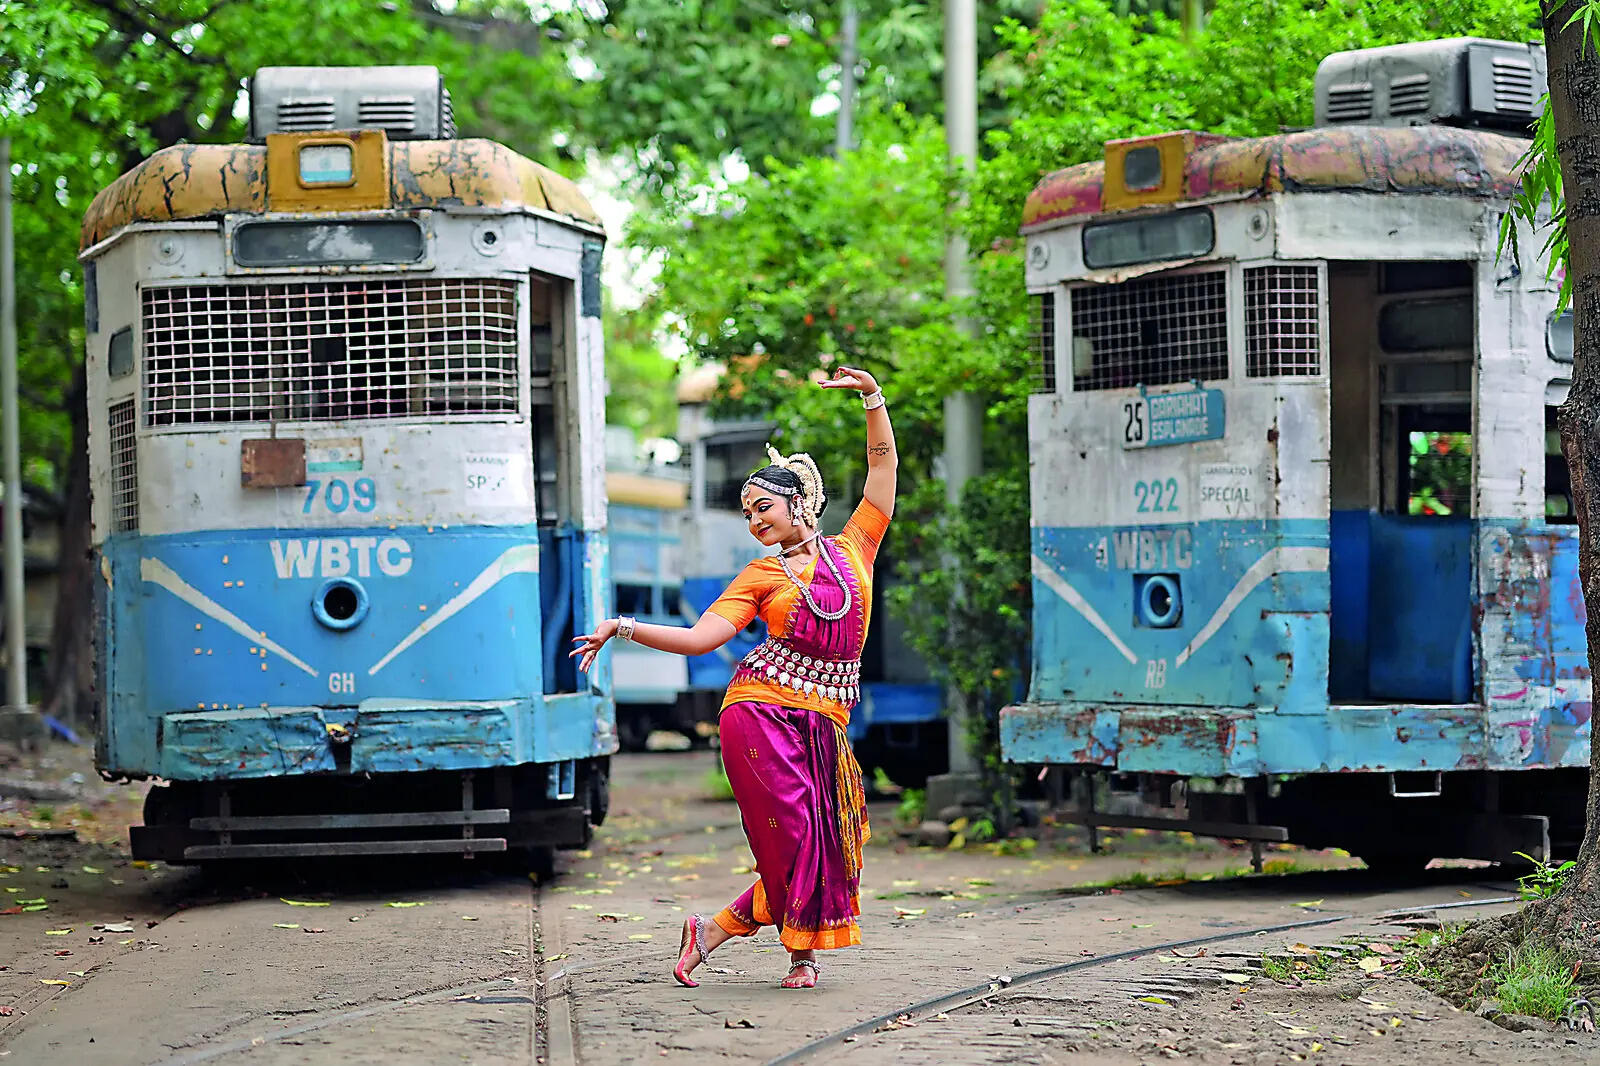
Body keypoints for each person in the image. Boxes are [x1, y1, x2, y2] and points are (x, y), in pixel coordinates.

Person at [571, 365, 897, 989]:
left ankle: (715, 930)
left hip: (825, 722)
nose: (754, 522)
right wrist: (624, 627)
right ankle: (801, 956)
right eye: (746, 513)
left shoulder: (857, 547)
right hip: (759, 713)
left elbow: (881, 479)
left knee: (832, 840)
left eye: (763, 508)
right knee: (798, 834)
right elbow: (699, 640)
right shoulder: (758, 575)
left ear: (800, 503)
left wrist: (871, 400)